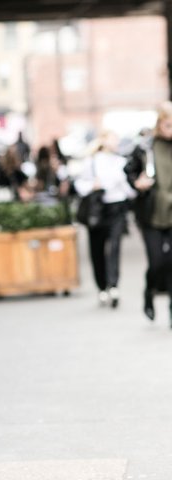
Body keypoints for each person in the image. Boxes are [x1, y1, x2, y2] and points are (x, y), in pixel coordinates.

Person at [74, 130, 136, 308]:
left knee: (115, 247)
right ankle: (102, 287)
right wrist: (92, 186)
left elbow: (127, 187)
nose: (115, 142)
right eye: (112, 138)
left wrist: (137, 189)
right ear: (103, 140)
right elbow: (80, 184)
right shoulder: (92, 161)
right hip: (97, 210)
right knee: (97, 250)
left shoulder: (120, 161)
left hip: (117, 208)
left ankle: (114, 285)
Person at [125, 107, 172, 326]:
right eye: (168, 124)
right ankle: (149, 292)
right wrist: (137, 183)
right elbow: (129, 171)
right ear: (159, 123)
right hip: (152, 214)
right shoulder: (145, 147)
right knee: (157, 263)